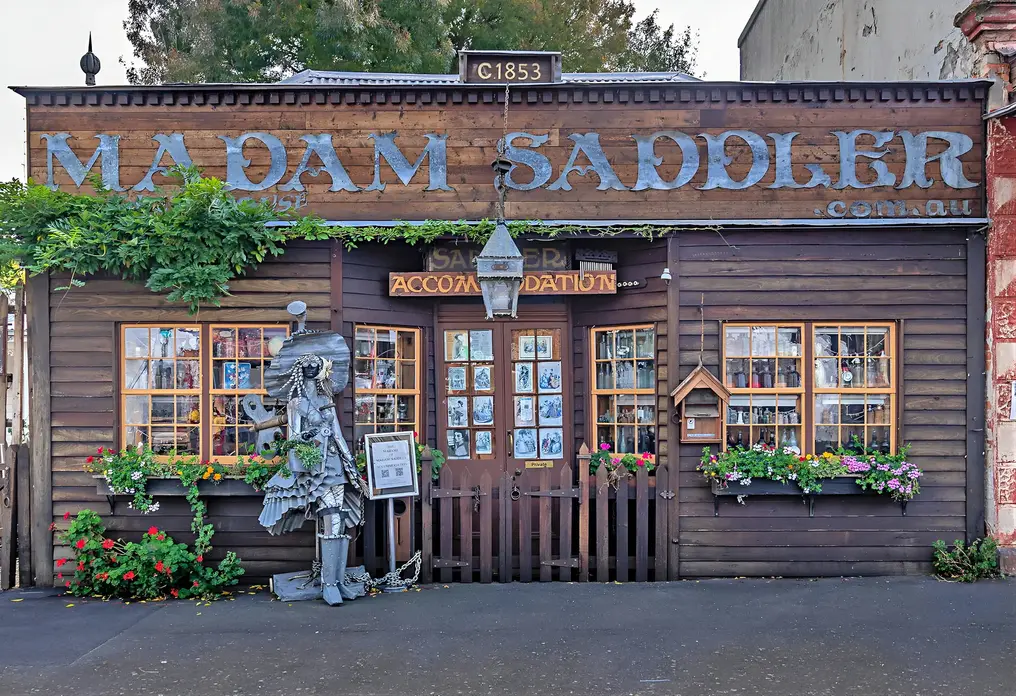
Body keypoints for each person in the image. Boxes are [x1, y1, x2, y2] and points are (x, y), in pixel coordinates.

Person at [259, 333, 370, 606]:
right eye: (307, 371)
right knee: (330, 516)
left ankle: (338, 581)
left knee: (339, 518)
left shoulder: (327, 399)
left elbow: (338, 434)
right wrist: (307, 441)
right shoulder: (297, 404)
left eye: (315, 370)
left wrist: (351, 466)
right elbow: (294, 436)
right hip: (312, 467)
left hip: (334, 463)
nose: (311, 375)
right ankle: (329, 584)